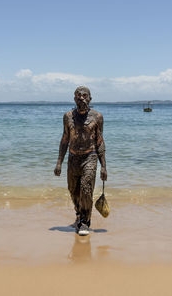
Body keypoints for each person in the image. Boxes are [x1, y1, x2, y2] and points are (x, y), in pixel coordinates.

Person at [54, 86, 107, 236]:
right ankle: (79, 214)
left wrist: (104, 166)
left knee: (86, 188)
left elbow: (100, 141)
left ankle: (85, 222)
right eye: (78, 95)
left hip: (90, 157)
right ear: (74, 98)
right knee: (73, 190)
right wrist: (59, 162)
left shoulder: (97, 117)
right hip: (72, 158)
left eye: (85, 95)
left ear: (90, 98)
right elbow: (64, 140)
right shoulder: (68, 116)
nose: (81, 98)